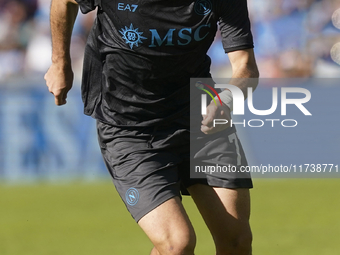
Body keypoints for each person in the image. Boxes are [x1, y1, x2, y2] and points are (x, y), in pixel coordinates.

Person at [44, 0, 259, 254]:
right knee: (176, 245)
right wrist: (60, 62)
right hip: (129, 126)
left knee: (237, 241)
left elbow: (246, 68)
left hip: (202, 116)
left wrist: (227, 99)